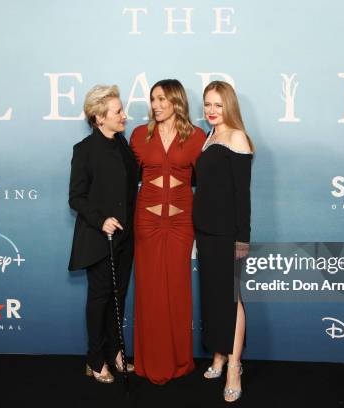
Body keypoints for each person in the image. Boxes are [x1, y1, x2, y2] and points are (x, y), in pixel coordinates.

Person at [129, 79, 206, 384]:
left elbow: (208, 182)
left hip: (180, 225)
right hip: (146, 224)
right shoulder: (138, 135)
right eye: (153, 100)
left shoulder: (197, 136)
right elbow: (122, 179)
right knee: (149, 292)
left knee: (176, 290)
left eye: (162, 99)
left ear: (176, 101)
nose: (156, 105)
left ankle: (178, 361)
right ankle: (148, 363)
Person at [68, 84, 138, 383]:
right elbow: (76, 197)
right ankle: (95, 360)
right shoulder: (84, 151)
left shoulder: (123, 145)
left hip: (125, 237)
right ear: (99, 118)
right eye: (118, 111)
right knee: (99, 299)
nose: (124, 115)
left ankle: (116, 353)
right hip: (100, 238)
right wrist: (101, 220)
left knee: (118, 297)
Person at [193, 81, 254, 402]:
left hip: (228, 234)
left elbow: (241, 195)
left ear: (229, 106)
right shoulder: (208, 138)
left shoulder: (237, 138)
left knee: (230, 298)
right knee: (213, 297)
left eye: (217, 105)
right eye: (207, 105)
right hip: (204, 231)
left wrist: (242, 238)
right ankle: (218, 355)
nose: (211, 111)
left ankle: (234, 366)